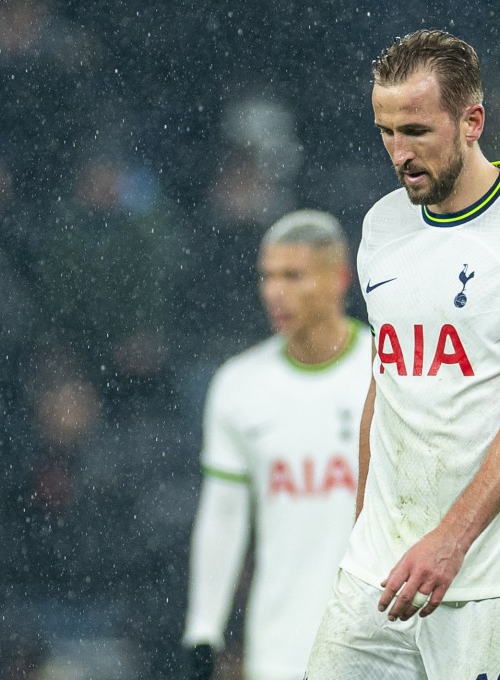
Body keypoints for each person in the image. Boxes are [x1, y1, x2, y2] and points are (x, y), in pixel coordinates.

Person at [305, 29, 500, 679]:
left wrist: (449, 541)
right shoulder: (382, 226)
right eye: (385, 131)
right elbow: (386, 386)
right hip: (379, 580)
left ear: (472, 122)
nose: (398, 152)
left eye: (415, 130)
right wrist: (364, 534)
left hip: (499, 583)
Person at [182, 209, 372, 680]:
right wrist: (204, 627)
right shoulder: (239, 385)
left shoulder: (387, 370)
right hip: (280, 647)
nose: (274, 291)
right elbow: (223, 514)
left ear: (338, 279)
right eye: (267, 276)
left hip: (382, 642)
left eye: (293, 275)